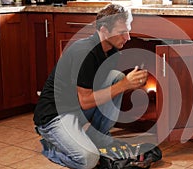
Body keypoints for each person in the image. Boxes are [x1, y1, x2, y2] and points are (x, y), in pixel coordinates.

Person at [33, 4, 148, 169]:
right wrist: (125, 85)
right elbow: (86, 101)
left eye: (128, 30)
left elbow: (95, 93)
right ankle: (51, 147)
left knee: (116, 77)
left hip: (75, 110)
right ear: (104, 30)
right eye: (122, 32)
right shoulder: (85, 52)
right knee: (89, 160)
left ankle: (97, 136)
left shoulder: (112, 51)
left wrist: (123, 83)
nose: (128, 37)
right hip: (55, 116)